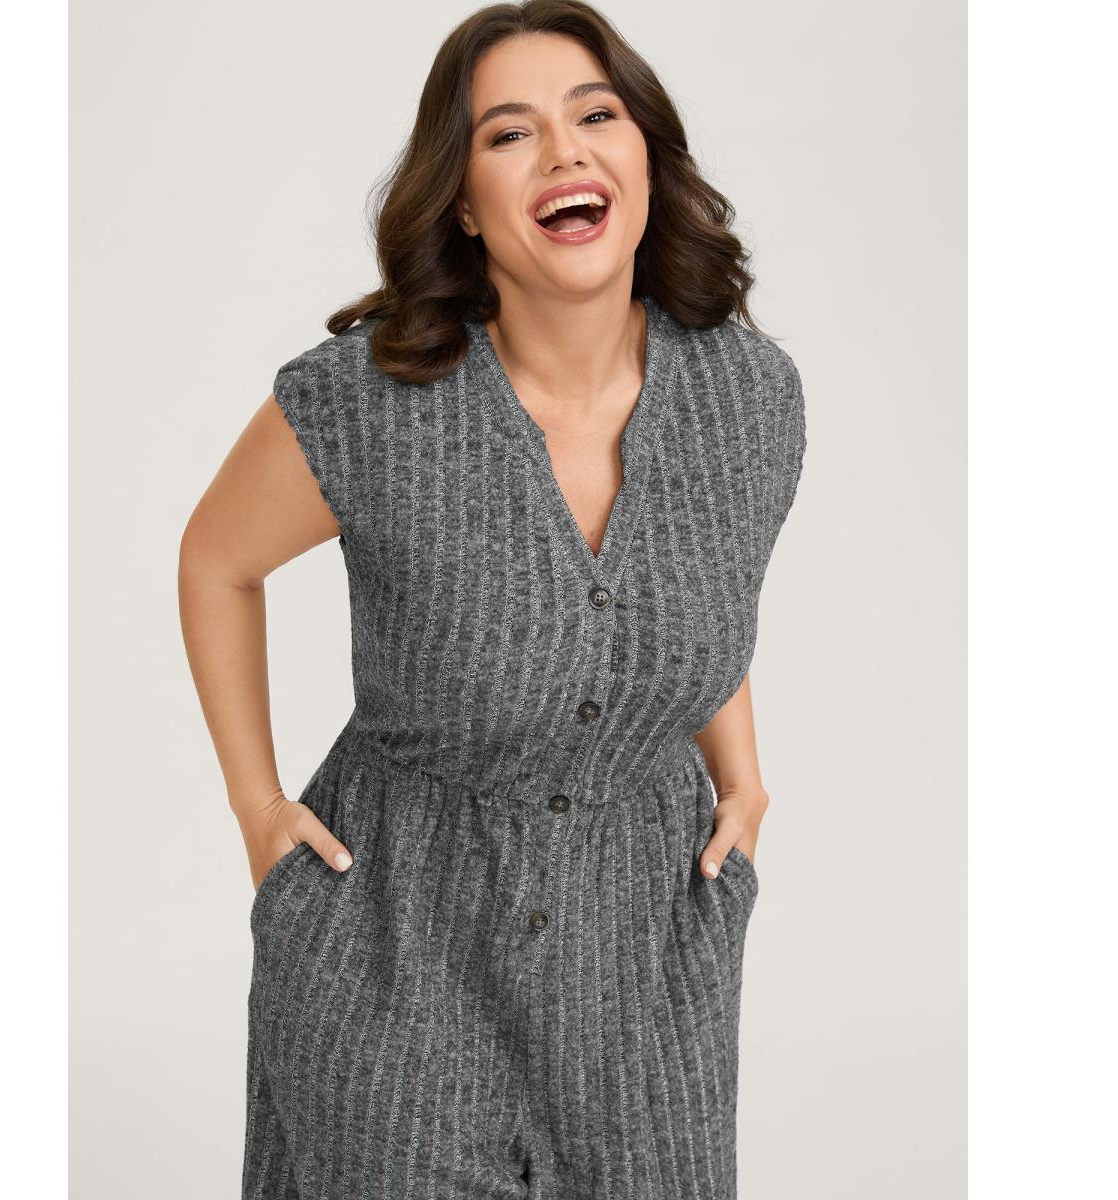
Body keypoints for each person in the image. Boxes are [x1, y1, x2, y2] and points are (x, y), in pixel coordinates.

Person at [178, 2, 806, 1196]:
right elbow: (215, 561)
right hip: (397, 953)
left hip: (647, 972)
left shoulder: (751, 400)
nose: (564, 151)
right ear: (464, 203)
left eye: (595, 116)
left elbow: (704, 599)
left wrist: (744, 777)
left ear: (645, 157)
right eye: (510, 134)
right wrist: (257, 809)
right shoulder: (366, 404)